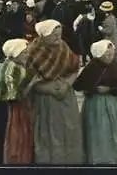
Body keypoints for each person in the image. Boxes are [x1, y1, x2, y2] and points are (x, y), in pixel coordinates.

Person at [23, 19, 84, 164]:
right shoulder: (32, 52)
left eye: (59, 35)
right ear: (44, 36)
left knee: (69, 130)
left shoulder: (63, 47)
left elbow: (74, 69)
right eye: (54, 35)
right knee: (48, 133)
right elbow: (28, 81)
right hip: (44, 102)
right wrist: (47, 88)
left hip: (65, 98)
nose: (58, 38)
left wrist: (67, 85)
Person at [73, 40, 117, 164]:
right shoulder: (92, 67)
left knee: (111, 131)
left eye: (112, 54)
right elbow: (78, 85)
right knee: (97, 133)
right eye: (107, 54)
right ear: (99, 54)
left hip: (111, 104)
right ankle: (96, 159)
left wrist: (109, 89)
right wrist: (93, 89)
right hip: (94, 105)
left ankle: (112, 159)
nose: (110, 57)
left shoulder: (114, 66)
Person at [98, 1, 117, 72]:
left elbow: (109, 31)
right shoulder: (112, 17)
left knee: (114, 57)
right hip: (114, 41)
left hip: (110, 41)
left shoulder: (108, 20)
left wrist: (101, 29)